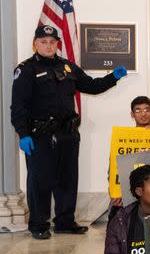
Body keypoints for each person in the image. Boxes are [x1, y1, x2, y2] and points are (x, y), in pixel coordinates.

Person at [11, 24, 128, 240]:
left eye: (52, 42)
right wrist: (23, 133)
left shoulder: (68, 67)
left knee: (67, 179)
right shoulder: (26, 70)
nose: (48, 46)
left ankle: (65, 222)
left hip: (68, 133)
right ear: (35, 44)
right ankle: (38, 224)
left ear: (57, 44)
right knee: (40, 181)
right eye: (43, 42)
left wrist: (113, 77)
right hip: (40, 135)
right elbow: (18, 106)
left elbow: (91, 86)